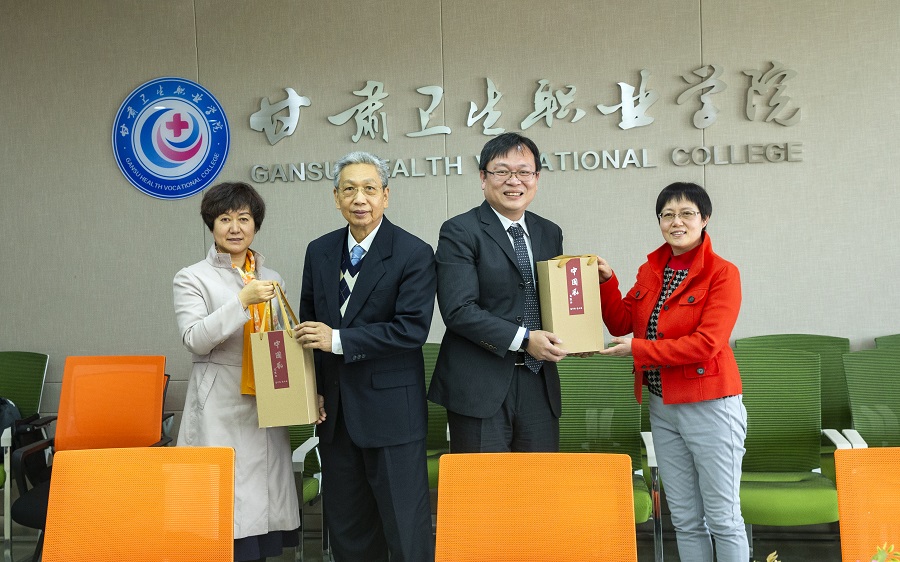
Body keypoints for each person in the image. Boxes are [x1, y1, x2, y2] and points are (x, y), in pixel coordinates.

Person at [294, 151, 436, 562]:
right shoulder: (319, 251)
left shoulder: (413, 251)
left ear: (386, 196)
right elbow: (309, 328)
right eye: (349, 189)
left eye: (370, 189)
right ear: (335, 197)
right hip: (335, 417)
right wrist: (312, 390)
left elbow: (411, 329)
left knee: (406, 532)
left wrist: (338, 339)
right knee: (349, 533)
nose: (360, 198)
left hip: (392, 418)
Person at [596, 182, 747, 562]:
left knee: (723, 519)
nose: (676, 222)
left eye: (686, 214)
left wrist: (639, 350)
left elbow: (706, 343)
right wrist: (607, 281)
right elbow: (621, 322)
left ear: (704, 218)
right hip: (662, 406)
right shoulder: (652, 270)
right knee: (684, 519)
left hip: (711, 405)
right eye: (667, 215)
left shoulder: (723, 273)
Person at [173, 181, 307, 562]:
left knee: (261, 511)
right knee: (224, 512)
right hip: (219, 401)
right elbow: (195, 339)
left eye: (244, 219)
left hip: (266, 401)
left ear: (255, 225)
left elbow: (278, 342)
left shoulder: (272, 277)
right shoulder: (191, 277)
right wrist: (241, 302)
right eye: (225, 219)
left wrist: (302, 391)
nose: (235, 228)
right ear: (211, 225)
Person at [428, 132, 567, 453]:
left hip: (538, 382)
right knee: (483, 482)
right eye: (502, 171)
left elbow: (553, 301)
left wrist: (572, 336)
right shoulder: (460, 231)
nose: (513, 181)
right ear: (483, 177)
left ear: (536, 178)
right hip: (479, 385)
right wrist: (525, 339)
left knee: (539, 479)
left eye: (523, 172)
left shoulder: (549, 231)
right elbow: (458, 310)